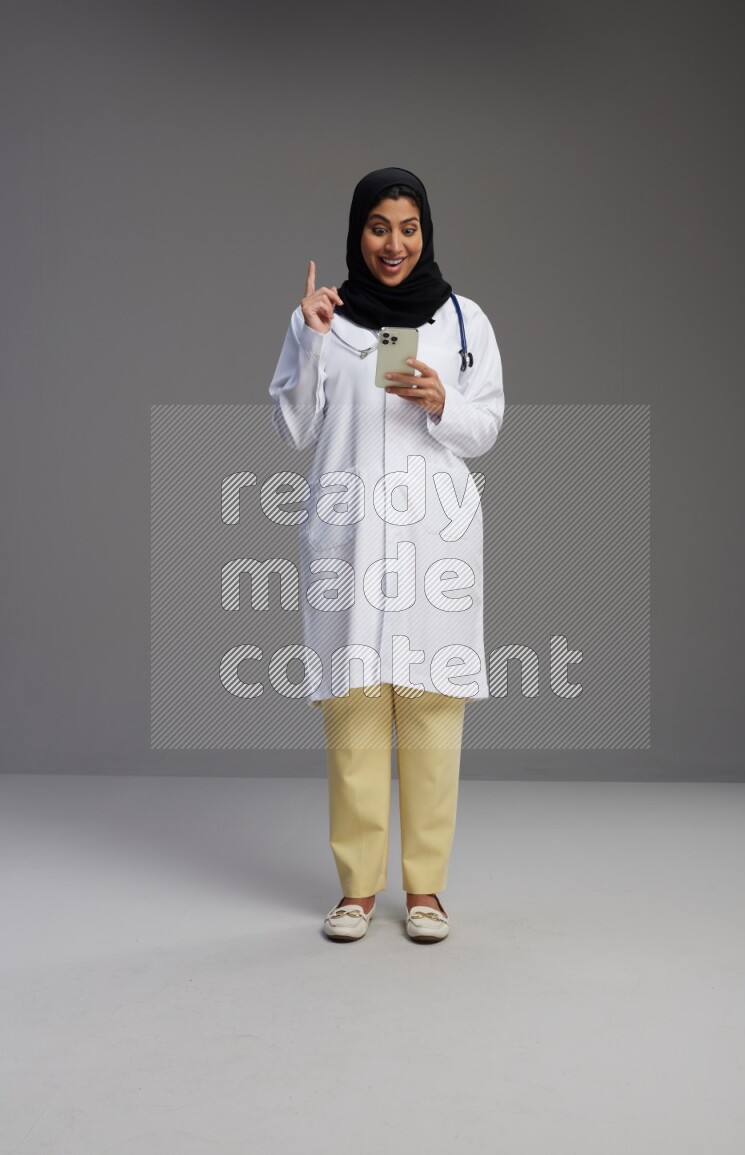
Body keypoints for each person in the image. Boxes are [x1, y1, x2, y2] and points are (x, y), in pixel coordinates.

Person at [268, 167, 504, 942]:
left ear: (426, 232)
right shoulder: (324, 319)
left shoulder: (463, 320)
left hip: (432, 539)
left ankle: (427, 890)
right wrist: (306, 338)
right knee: (356, 711)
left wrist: (444, 404)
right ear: (357, 233)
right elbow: (293, 430)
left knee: (433, 711)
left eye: (408, 227)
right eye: (378, 227)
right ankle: (357, 890)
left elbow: (487, 427)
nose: (394, 243)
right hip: (350, 539)